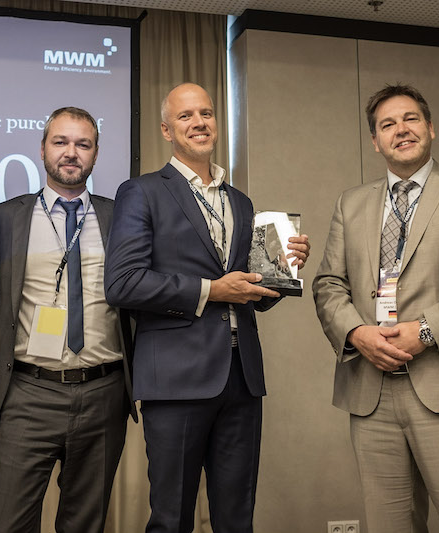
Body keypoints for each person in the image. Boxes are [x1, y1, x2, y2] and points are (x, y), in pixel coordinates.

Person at [312, 83, 439, 532]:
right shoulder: (351, 203)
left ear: (430, 127)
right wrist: (356, 333)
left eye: (410, 119)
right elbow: (329, 283)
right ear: (375, 141)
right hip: (372, 393)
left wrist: (425, 330)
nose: (400, 130)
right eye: (387, 124)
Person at [104, 83, 310, 533]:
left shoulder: (241, 202)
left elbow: (250, 296)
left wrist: (282, 271)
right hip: (176, 380)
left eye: (207, 113)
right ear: (165, 130)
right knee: (171, 517)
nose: (199, 123)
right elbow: (123, 283)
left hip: (242, 378)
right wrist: (210, 291)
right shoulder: (141, 192)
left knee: (237, 518)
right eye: (186, 116)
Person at [0, 106, 135, 533]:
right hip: (28, 392)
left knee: (85, 522)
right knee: (9, 522)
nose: (71, 153)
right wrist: (13, 335)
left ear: (96, 154)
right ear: (42, 149)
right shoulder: (5, 217)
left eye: (83, 144)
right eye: (61, 142)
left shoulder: (120, 216)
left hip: (105, 392)